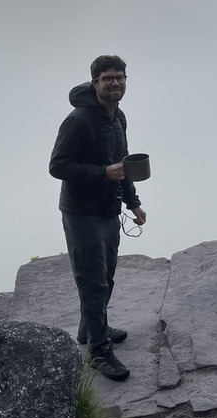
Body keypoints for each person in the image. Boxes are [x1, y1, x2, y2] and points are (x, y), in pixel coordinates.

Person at [49, 54, 147, 381]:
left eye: (120, 77)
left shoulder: (118, 118)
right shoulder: (78, 120)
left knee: (107, 277)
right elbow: (58, 166)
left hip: (109, 209)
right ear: (95, 83)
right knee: (92, 281)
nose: (115, 83)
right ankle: (98, 350)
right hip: (81, 213)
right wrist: (102, 173)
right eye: (108, 79)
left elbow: (124, 163)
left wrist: (133, 203)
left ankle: (89, 329)